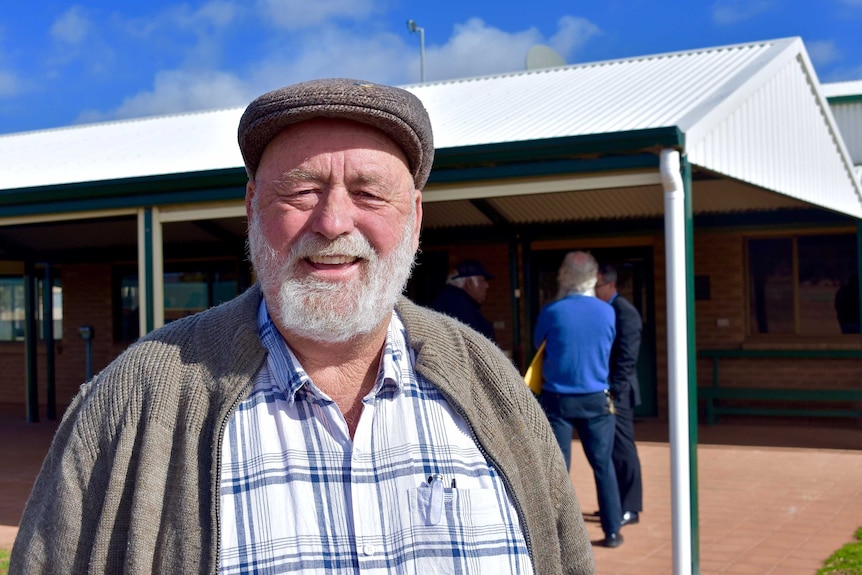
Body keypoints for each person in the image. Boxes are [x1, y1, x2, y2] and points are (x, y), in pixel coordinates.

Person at [11, 78, 594, 575]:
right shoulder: (131, 403)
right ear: (251, 208)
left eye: (368, 193)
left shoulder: (492, 387)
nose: (334, 222)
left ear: (415, 217)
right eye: (301, 191)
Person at [534, 251, 623, 548]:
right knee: (603, 465)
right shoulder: (607, 311)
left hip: (558, 398)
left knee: (558, 469)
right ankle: (612, 530)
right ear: (593, 275)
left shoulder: (552, 310)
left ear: (564, 276)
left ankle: (560, 536)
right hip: (596, 397)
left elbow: (538, 344)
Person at [596, 263, 644, 527]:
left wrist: (614, 390)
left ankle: (631, 507)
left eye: (598, 286)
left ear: (611, 285)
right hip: (610, 390)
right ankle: (616, 503)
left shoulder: (624, 312)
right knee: (611, 447)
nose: (594, 291)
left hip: (619, 393)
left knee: (624, 447)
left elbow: (627, 357)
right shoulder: (606, 311)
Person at [430, 259, 495, 341]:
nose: (487, 285)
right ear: (469, 283)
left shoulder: (455, 301)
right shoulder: (457, 306)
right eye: (482, 281)